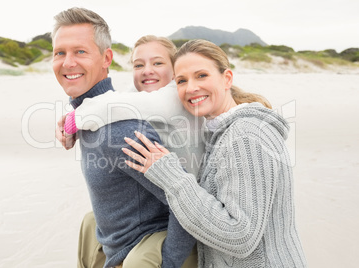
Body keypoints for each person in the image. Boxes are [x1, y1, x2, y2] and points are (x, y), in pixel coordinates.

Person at [122, 39, 307, 267]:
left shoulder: (245, 136)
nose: (191, 88)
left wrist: (172, 177)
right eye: (182, 80)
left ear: (227, 78)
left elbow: (240, 236)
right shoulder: (218, 133)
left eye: (201, 76)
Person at [52, 7, 196, 268]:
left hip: (151, 248)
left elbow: (184, 202)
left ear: (106, 58)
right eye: (60, 53)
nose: (68, 62)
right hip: (121, 242)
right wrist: (74, 119)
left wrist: (169, 262)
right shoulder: (98, 115)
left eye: (80, 51)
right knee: (89, 222)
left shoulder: (121, 128)